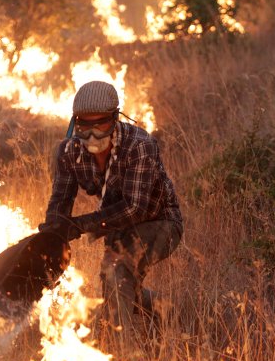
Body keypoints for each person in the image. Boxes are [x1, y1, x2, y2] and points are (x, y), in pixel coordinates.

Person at [38, 80, 183, 342]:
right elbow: (60, 202)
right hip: (116, 226)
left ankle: (123, 358)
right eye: (84, 124)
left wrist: (80, 226)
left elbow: (135, 208)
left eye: (101, 123)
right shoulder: (68, 152)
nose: (92, 133)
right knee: (114, 285)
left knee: (116, 273)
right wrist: (51, 236)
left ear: (115, 118)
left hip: (160, 222)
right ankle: (163, 310)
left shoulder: (140, 145)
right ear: (75, 122)